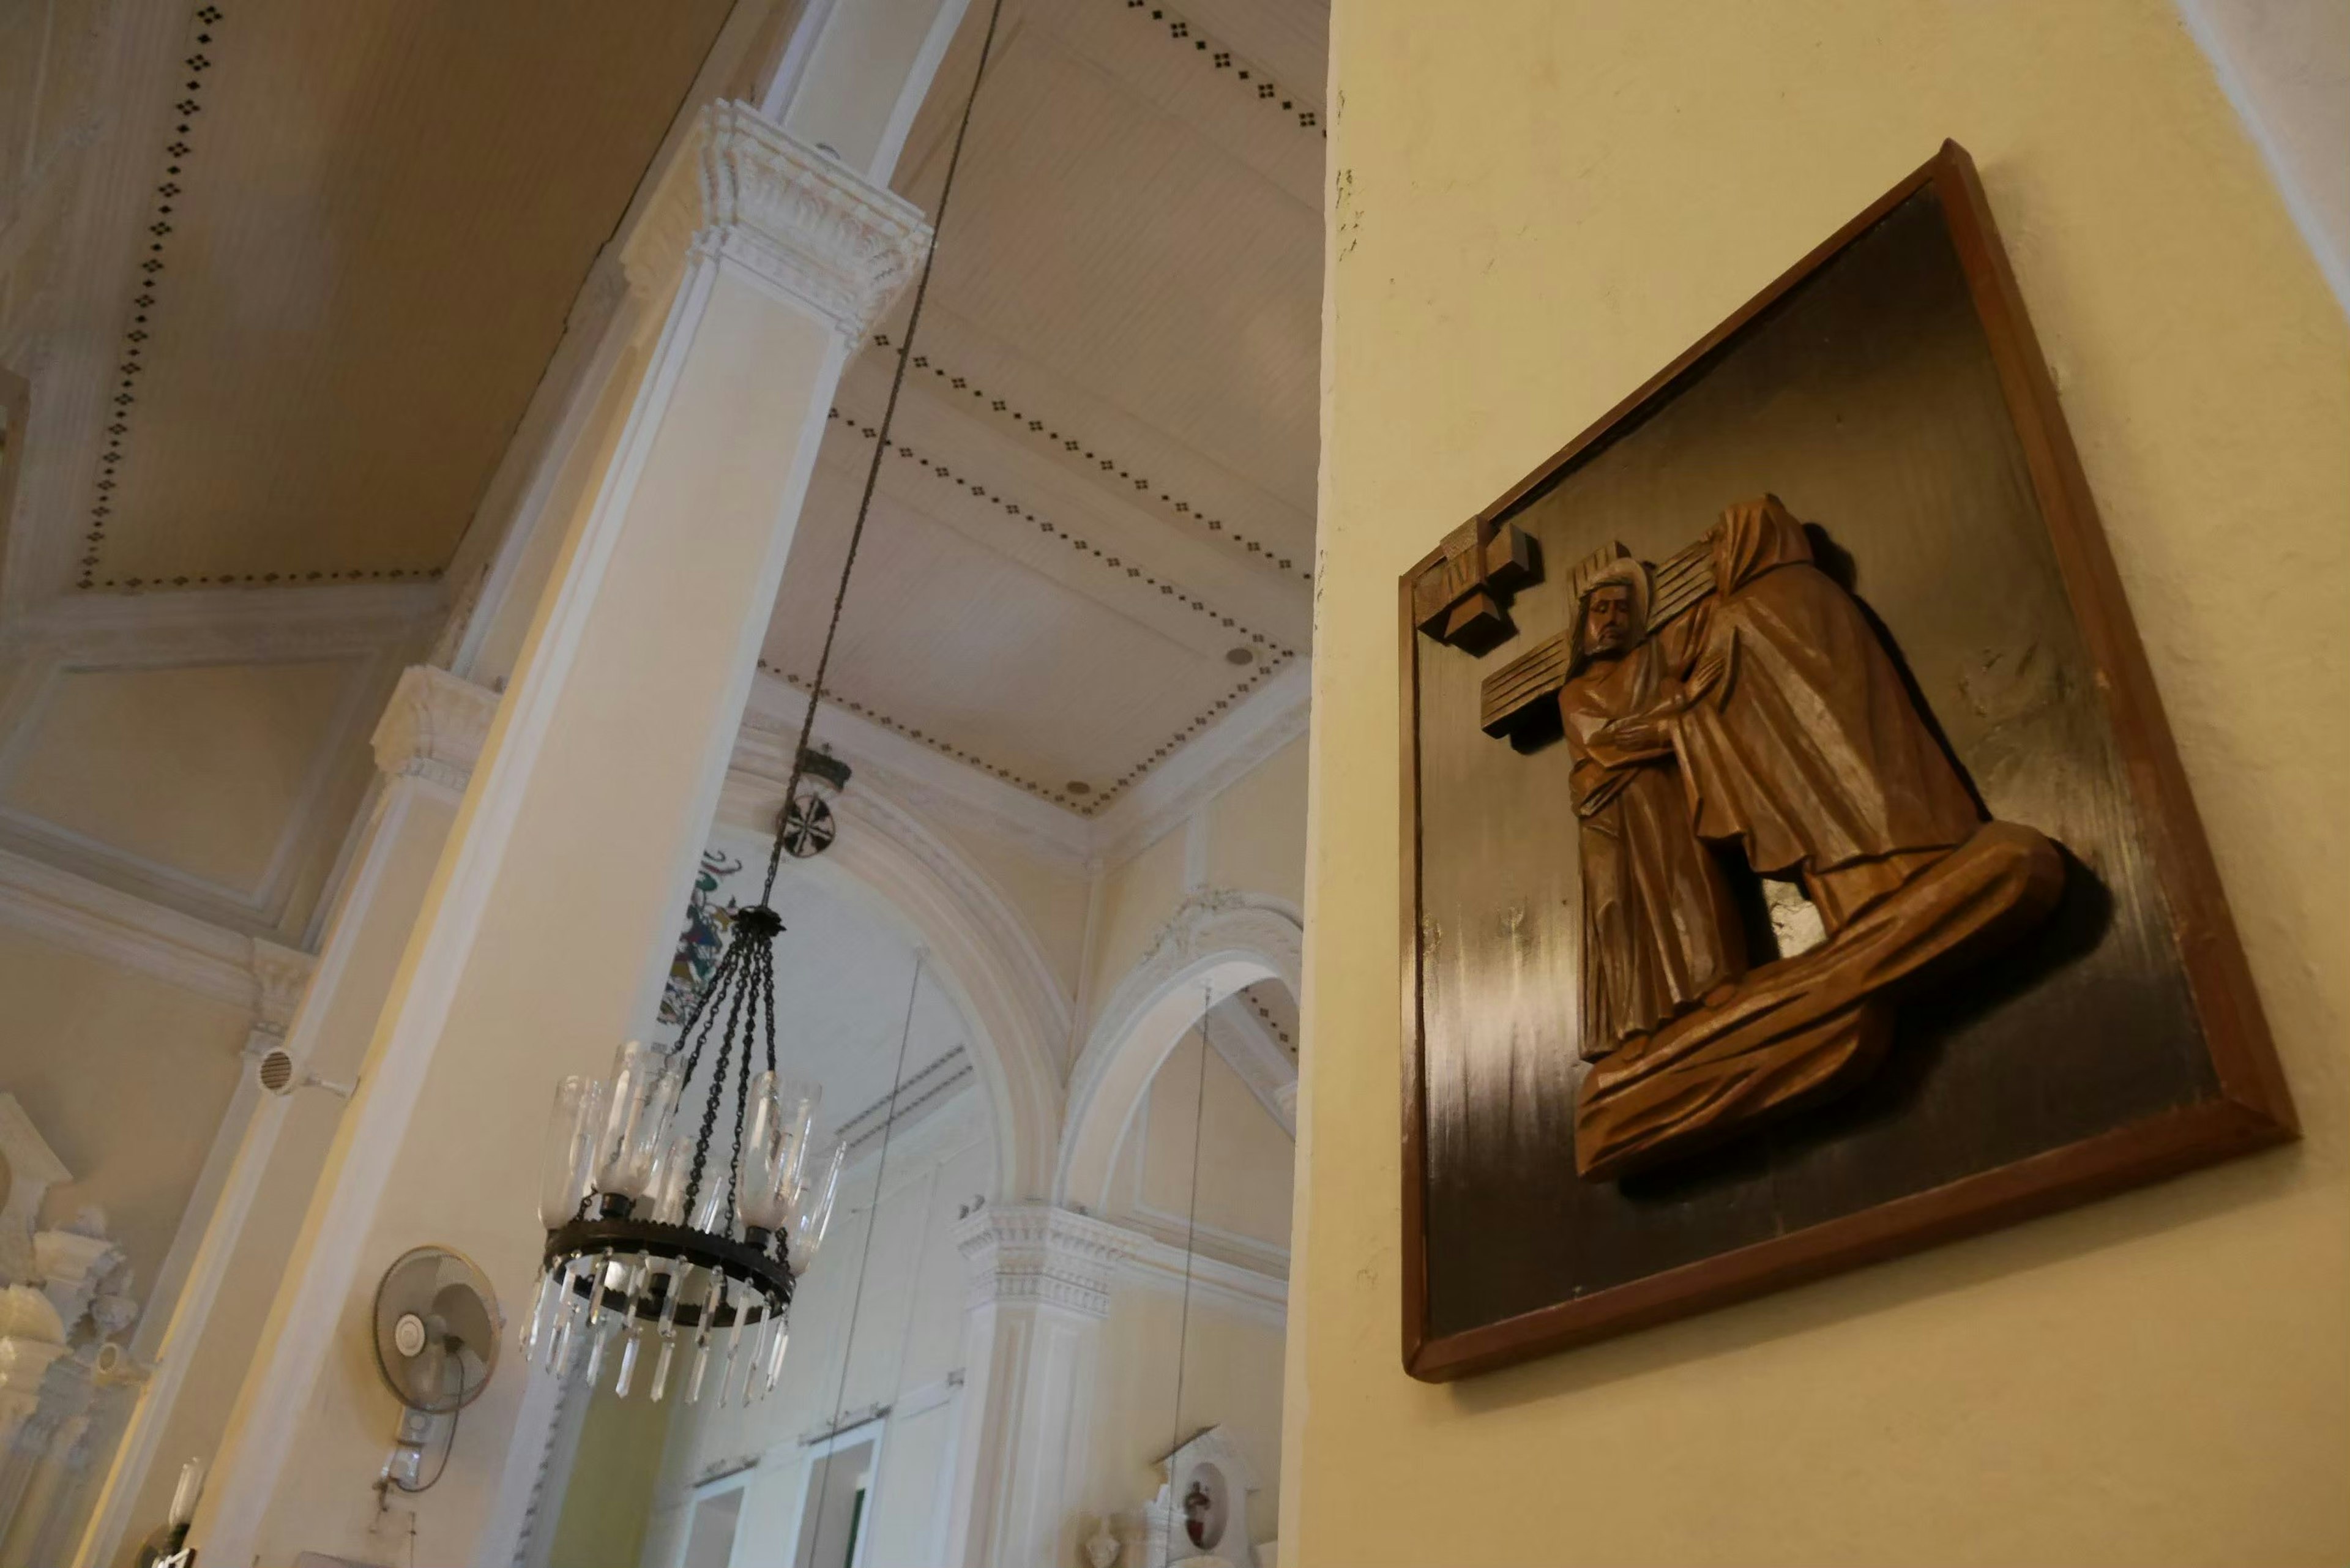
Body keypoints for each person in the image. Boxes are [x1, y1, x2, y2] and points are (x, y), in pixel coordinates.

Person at [1668, 496, 1982, 932]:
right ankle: (1923, 855)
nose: (1712, 565)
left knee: (1839, 835)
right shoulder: (1821, 589)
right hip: (1897, 781)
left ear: (1745, 544)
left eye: (1718, 550)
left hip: (1820, 792)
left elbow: (1706, 703)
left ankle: (1870, 897)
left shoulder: (1736, 616)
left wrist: (1673, 714)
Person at [1558, 559, 1745, 1061]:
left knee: (1684, 882)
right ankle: (1633, 1023)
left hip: (1657, 794)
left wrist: (1727, 563)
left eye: (1622, 608)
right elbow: (1609, 738)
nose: (1612, 618)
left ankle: (1715, 983)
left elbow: (1708, 617)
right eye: (1601, 610)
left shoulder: (1653, 658)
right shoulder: (1574, 694)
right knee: (1614, 909)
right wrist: (1676, 710)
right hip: (1603, 812)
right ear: (1583, 625)